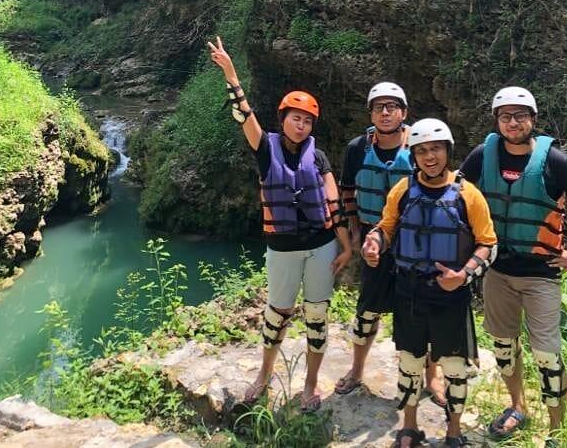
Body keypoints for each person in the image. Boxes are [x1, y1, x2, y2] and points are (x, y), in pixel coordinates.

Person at [208, 36, 352, 411]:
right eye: (295, 118)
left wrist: (347, 245)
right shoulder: (265, 147)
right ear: (283, 119)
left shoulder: (318, 157)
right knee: (277, 315)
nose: (301, 125)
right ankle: (264, 373)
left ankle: (310, 384)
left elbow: (334, 205)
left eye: (307, 120)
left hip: (322, 246)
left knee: (317, 316)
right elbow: (244, 115)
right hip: (282, 249)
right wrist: (231, 73)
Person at [459, 86, 567, 445]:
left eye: (520, 116)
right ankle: (517, 407)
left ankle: (556, 430)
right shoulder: (482, 155)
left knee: (546, 353)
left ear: (533, 120)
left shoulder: (555, 160)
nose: (513, 122)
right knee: (504, 346)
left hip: (541, 273)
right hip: (498, 270)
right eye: (505, 116)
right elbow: (456, 195)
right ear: (497, 120)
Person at [363, 118, 497, 448]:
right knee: (409, 363)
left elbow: (489, 244)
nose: (429, 157)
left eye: (435, 149)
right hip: (409, 291)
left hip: (450, 295)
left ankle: (453, 431)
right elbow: (387, 227)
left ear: (447, 151)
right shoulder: (403, 190)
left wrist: (464, 274)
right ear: (414, 156)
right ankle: (408, 427)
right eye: (421, 151)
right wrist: (374, 243)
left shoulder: (469, 195)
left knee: (454, 368)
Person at [336, 83, 445, 405]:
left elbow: (439, 188)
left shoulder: (419, 146)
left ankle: (432, 376)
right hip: (374, 239)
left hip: (415, 241)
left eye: (392, 107)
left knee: (423, 309)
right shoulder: (358, 148)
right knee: (368, 308)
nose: (385, 112)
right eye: (379, 107)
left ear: (404, 113)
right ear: (370, 113)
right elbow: (347, 191)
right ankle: (357, 369)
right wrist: (355, 229)